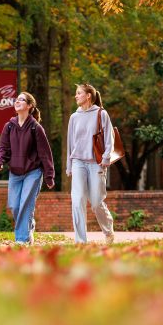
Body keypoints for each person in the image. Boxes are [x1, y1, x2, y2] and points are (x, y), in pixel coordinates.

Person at [0, 92, 55, 245]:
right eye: (17, 100)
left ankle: (21, 240)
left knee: (26, 205)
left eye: (21, 100)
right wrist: (0, 160)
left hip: (33, 172)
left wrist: (49, 176)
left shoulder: (36, 127)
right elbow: (3, 147)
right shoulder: (9, 126)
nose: (17, 101)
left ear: (29, 106)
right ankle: (30, 226)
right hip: (15, 172)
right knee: (15, 206)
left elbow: (45, 153)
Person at [66, 83, 115, 245]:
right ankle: (80, 241)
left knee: (96, 202)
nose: (76, 96)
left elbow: (109, 138)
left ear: (88, 95)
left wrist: (105, 159)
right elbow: (70, 143)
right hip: (78, 162)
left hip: (96, 163)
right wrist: (69, 165)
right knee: (77, 199)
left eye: (79, 93)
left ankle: (108, 231)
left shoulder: (101, 114)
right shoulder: (74, 117)